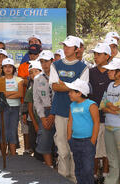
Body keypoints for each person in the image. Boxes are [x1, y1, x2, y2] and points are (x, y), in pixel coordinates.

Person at [49, 35, 89, 181]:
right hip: (60, 111)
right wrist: (72, 85)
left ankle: (74, 178)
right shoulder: (56, 65)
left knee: (74, 150)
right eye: (64, 46)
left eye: (69, 46)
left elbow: (81, 92)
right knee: (62, 149)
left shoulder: (84, 68)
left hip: (77, 113)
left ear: (77, 49)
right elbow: (54, 86)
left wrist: (63, 84)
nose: (66, 48)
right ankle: (62, 178)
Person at [66, 79, 99, 184]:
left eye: (71, 91)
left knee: (88, 169)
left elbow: (96, 123)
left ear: (79, 93)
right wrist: (69, 138)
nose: (69, 93)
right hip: (75, 141)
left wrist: (92, 141)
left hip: (87, 142)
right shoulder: (72, 105)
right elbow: (70, 121)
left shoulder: (91, 105)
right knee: (78, 168)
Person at [88, 43, 111, 181]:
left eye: (99, 54)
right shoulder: (90, 72)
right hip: (92, 118)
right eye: (94, 54)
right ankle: (95, 174)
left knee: (107, 148)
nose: (95, 57)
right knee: (94, 147)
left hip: (110, 118)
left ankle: (106, 174)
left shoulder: (113, 73)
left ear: (107, 56)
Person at [33, 50, 55, 167]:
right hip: (45, 112)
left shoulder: (58, 76)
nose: (44, 64)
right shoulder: (37, 79)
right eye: (41, 62)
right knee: (45, 140)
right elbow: (37, 100)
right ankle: (50, 167)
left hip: (59, 112)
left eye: (46, 61)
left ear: (52, 61)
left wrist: (54, 113)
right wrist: (42, 117)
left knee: (61, 141)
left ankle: (61, 168)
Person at [100, 58, 120, 184]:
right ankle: (113, 181)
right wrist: (113, 108)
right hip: (108, 127)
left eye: (111, 70)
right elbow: (102, 105)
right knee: (112, 157)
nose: (108, 72)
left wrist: (110, 107)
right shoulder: (109, 85)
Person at [0, 58, 23, 155]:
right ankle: (3, 156)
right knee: (3, 131)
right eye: (5, 66)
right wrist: (14, 92)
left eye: (10, 66)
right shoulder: (0, 80)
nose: (8, 69)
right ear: (2, 69)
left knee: (13, 131)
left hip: (15, 108)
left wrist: (7, 94)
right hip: (3, 108)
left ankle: (13, 156)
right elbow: (1, 94)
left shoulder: (19, 80)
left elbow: (20, 94)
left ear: (13, 68)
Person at [23, 60, 43, 160]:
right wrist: (35, 124)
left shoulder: (47, 86)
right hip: (33, 120)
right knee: (34, 141)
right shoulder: (30, 89)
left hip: (45, 119)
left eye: (36, 71)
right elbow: (29, 109)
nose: (33, 74)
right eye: (31, 72)